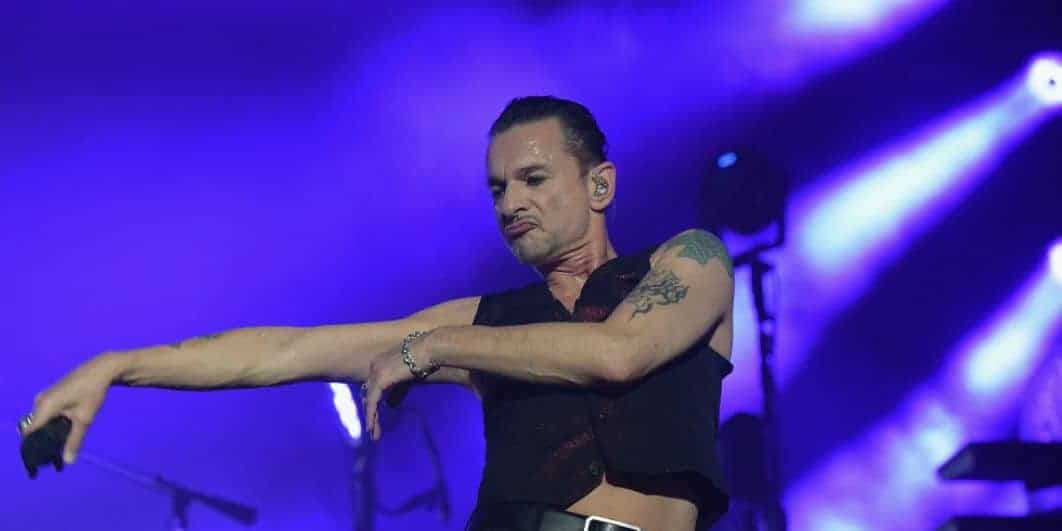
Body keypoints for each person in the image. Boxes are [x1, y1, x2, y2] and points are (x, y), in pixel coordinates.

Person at [22, 96, 735, 531]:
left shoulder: (688, 260)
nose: (510, 203)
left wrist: (434, 346)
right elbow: (286, 351)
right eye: (496, 189)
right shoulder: (491, 315)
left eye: (533, 179)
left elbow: (620, 352)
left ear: (600, 185)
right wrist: (116, 366)